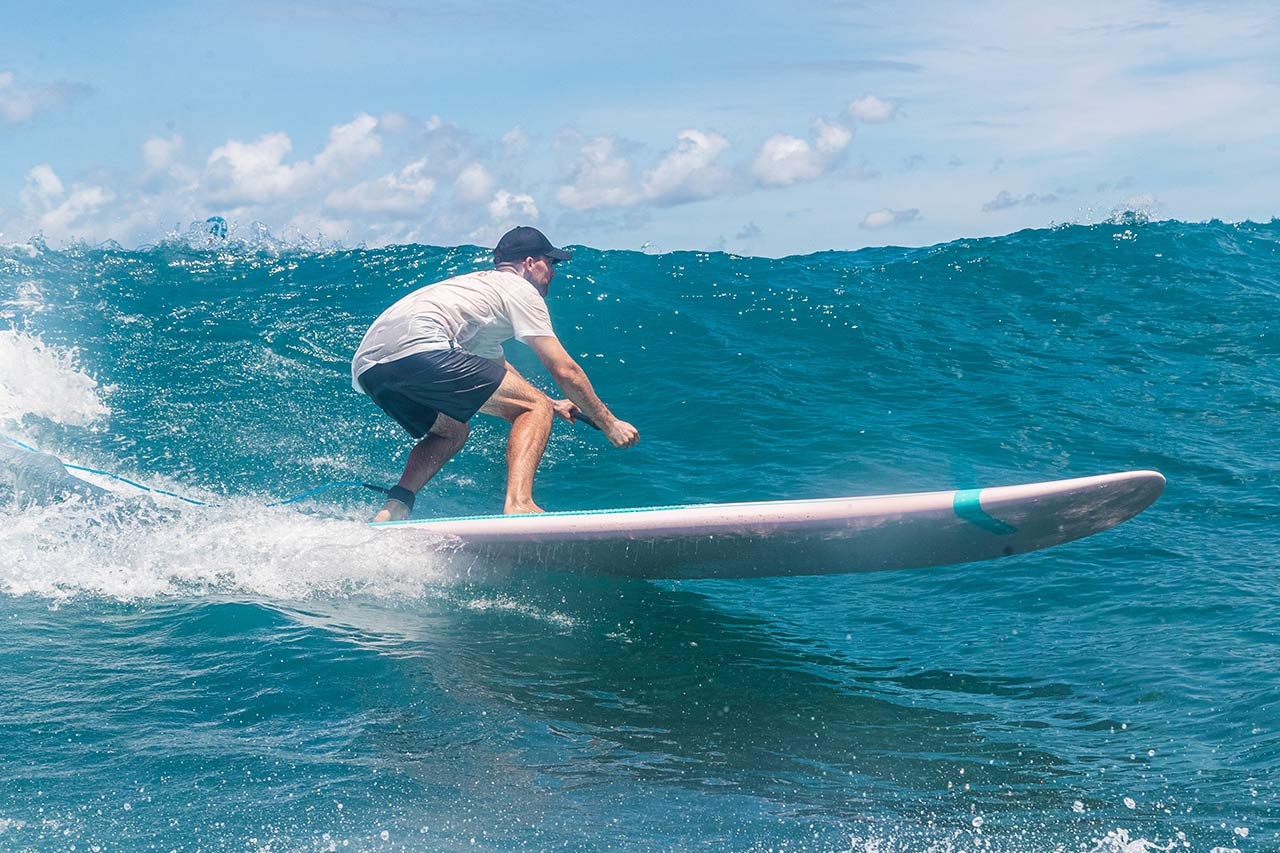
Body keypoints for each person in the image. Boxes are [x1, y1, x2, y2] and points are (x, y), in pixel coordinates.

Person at [352, 226, 639, 521]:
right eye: (550, 263)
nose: (553, 272)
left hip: (369, 368)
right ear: (529, 263)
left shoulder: (475, 291)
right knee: (532, 406)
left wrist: (553, 403)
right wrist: (610, 423)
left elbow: (494, 368)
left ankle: (395, 508)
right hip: (422, 346)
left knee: (452, 432)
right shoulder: (520, 289)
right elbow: (564, 369)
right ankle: (519, 504)